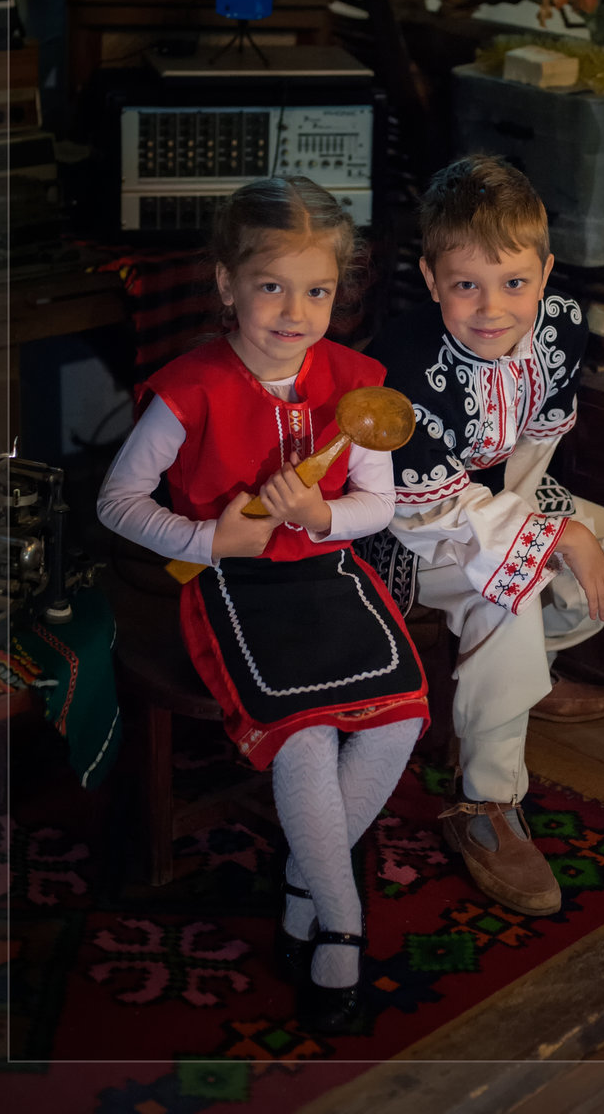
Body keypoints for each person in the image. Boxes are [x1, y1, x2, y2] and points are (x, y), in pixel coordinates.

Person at [97, 176, 429, 1035]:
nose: (294, 311)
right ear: (226, 283)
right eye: (271, 286)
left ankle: (301, 890)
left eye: (317, 290)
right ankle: (340, 927)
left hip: (326, 577)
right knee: (305, 735)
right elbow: (117, 501)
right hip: (232, 587)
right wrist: (208, 538)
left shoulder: (356, 384)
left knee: (397, 719)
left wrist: (320, 515)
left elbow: (378, 506)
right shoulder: (191, 389)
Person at [368, 154, 604, 918]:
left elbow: (536, 443)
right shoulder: (402, 365)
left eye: (515, 282)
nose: (493, 308)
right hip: (408, 526)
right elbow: (428, 509)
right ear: (432, 280)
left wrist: (551, 527)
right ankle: (485, 803)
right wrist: (544, 541)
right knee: (510, 592)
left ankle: (522, 684)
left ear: (545, 273)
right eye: (466, 285)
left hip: (501, 495)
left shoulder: (559, 324)